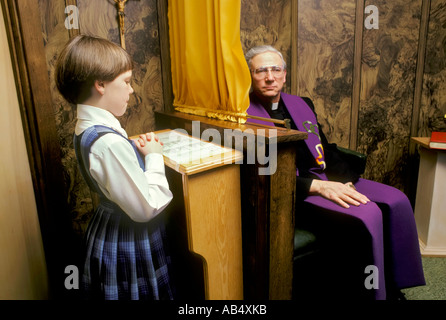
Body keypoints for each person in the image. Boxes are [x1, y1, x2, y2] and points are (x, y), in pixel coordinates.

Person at [244, 45, 425, 300]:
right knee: (368, 212)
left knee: (397, 201)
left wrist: (344, 180)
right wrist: (320, 186)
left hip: (324, 175)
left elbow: (324, 149)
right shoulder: (241, 114)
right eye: (261, 71)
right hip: (295, 189)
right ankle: (374, 294)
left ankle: (395, 286)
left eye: (275, 69)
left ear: (284, 74)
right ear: (249, 76)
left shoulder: (301, 103)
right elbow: (258, 173)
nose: (270, 77)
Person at [55, 35, 174, 300]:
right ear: (100, 85)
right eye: (127, 82)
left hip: (109, 225)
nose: (132, 90)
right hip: (128, 236)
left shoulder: (88, 126)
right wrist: (153, 156)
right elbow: (146, 207)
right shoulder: (107, 143)